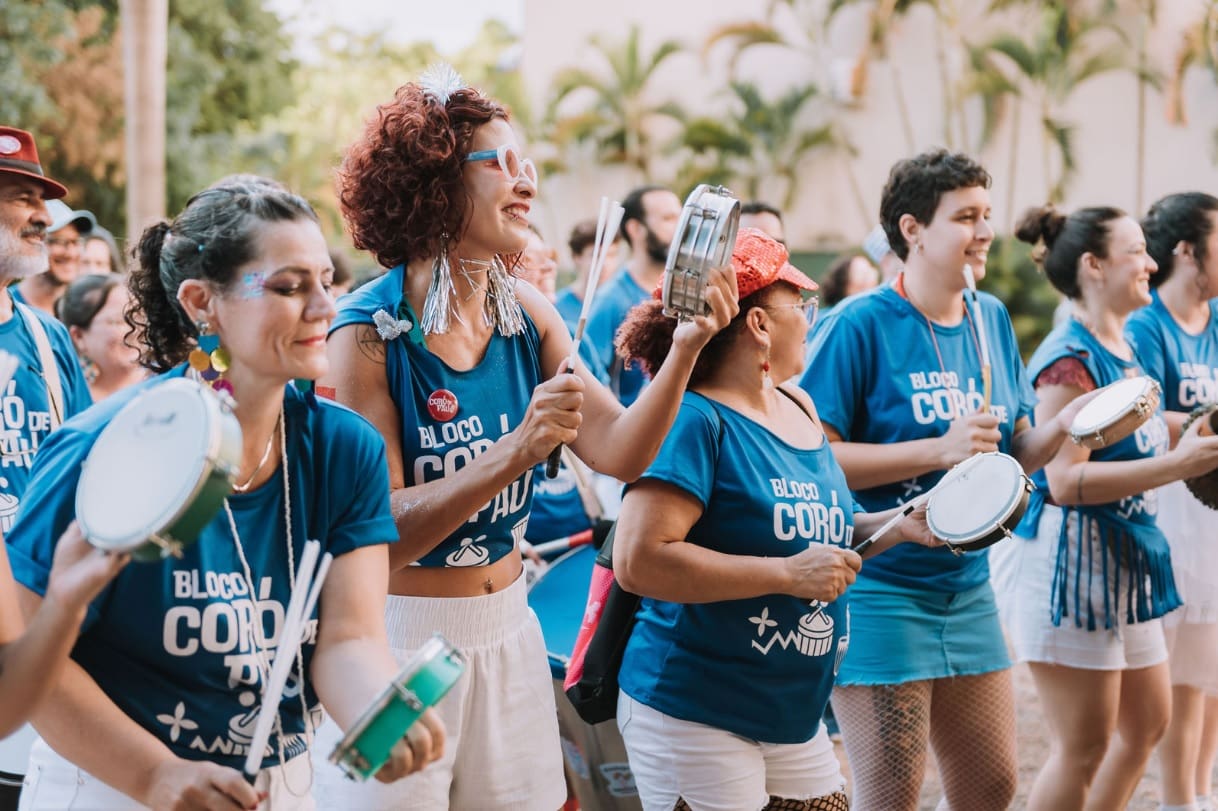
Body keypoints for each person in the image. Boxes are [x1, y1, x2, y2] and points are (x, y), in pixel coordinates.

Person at [312, 66, 736, 809]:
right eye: (499, 163)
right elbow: (382, 538)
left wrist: (688, 347)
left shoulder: (530, 312)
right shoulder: (366, 332)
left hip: (510, 627)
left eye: (527, 163)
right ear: (435, 182)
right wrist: (515, 451)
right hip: (400, 638)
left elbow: (623, 451)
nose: (524, 180)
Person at [6, 176, 445, 810]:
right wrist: (154, 774)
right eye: (291, 287)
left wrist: (377, 707)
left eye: (326, 280)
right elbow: (29, 663)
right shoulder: (102, 448)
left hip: (273, 785)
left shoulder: (345, 448)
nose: (325, 307)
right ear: (201, 302)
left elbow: (349, 638)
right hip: (109, 783)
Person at [802, 150, 1094, 811]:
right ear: (913, 229)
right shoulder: (860, 322)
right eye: (965, 216)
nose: (985, 230)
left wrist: (1071, 423)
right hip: (882, 585)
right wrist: (936, 448)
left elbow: (1009, 455)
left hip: (966, 586)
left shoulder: (989, 316)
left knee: (992, 785)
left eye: (986, 214)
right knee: (891, 793)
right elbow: (813, 453)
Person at [612, 227, 941, 811]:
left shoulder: (798, 404)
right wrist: (787, 576)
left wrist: (900, 522)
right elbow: (640, 560)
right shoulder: (691, 417)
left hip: (788, 710)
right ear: (759, 323)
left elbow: (823, 533)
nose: (811, 320)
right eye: (802, 307)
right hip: (695, 706)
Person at [994, 203, 1218, 811]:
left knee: (1147, 724)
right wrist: (1177, 465)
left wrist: (1197, 429)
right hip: (1073, 571)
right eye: (1135, 253)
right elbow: (1064, 483)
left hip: (1126, 565)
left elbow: (1146, 426)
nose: (1151, 262)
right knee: (1084, 746)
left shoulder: (1121, 345)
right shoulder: (1070, 359)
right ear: (1094, 266)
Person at [0, 125, 111, 806]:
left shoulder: (44, 336)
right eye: (19, 196)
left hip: (35, 624)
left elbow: (80, 477)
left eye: (42, 198)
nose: (43, 215)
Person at [1131, 192, 1218, 811]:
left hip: (1212, 511)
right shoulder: (1146, 323)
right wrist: (1203, 423)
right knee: (1179, 674)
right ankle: (1178, 797)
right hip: (1170, 509)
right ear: (1187, 251)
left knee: (1211, 674)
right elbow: (1140, 414)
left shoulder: (1216, 320)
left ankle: (1201, 790)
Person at [584, 184, 683, 406]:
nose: (680, 229)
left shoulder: (686, 292)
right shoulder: (611, 299)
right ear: (636, 229)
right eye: (668, 219)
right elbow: (588, 376)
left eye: (681, 218)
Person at [56, 274, 148, 401]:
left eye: (137, 316)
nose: (135, 330)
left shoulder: (165, 385)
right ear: (78, 336)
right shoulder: (65, 400)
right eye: (118, 321)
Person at [13, 200, 95, 315]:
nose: (71, 253)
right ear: (33, 242)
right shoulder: (8, 308)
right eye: (59, 241)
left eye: (75, 242)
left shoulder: (84, 310)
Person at [553, 218, 623, 334]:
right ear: (576, 257)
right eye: (596, 255)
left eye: (611, 255)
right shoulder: (557, 307)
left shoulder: (622, 300)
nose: (605, 264)